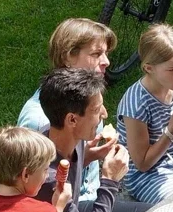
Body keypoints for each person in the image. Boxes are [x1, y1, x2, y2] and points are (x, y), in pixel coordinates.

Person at [35, 67, 145, 212]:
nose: (104, 114)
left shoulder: (63, 136)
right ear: (72, 119)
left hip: (74, 211)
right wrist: (110, 181)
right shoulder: (50, 180)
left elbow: (67, 162)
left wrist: (89, 155)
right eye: (96, 110)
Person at [18, 18, 116, 202]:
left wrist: (87, 156)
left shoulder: (87, 98)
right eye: (96, 54)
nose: (106, 62)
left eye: (106, 53)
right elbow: (33, 189)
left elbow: (63, 164)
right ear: (68, 57)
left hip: (88, 198)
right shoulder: (40, 120)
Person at [115, 24, 173, 204]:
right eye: (172, 69)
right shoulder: (136, 104)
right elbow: (142, 164)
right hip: (147, 177)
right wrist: (171, 130)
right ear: (149, 68)